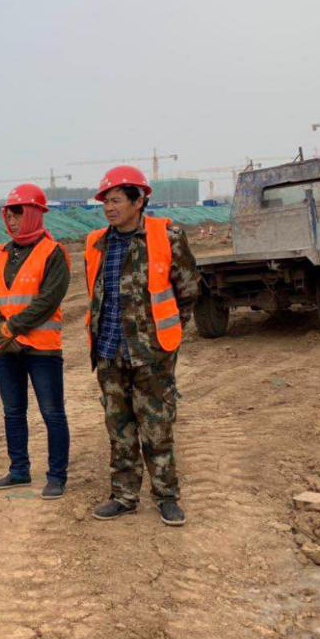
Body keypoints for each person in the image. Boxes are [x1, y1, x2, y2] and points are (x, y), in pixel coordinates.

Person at [85, 166, 200, 526]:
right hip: (109, 351)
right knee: (119, 429)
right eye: (106, 201)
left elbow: (188, 290)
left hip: (152, 354)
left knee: (156, 427)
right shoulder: (97, 243)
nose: (109, 207)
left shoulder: (167, 236)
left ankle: (166, 497)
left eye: (116, 200)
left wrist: (169, 338)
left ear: (138, 201)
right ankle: (123, 496)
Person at [0, 184, 71, 499]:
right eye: (9, 214)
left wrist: (10, 330)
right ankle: (19, 470)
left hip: (42, 350)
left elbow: (48, 301)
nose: (12, 220)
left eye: (18, 214)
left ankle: (56, 476)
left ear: (34, 214)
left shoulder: (54, 253)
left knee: (52, 413)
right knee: (13, 412)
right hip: (6, 350)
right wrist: (0, 331)